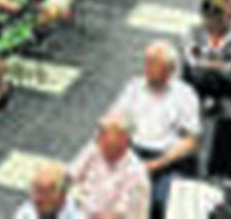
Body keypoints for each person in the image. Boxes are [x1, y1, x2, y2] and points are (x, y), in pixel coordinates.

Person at [108, 41, 201, 218]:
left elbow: (191, 141)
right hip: (133, 153)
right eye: (147, 63)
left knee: (164, 203)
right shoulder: (134, 87)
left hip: (167, 160)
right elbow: (115, 119)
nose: (147, 69)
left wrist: (157, 164)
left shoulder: (185, 95)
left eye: (153, 64)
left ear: (170, 70)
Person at [68, 110, 150, 219]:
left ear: (123, 139)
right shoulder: (94, 150)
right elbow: (68, 177)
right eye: (101, 133)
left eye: (105, 133)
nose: (99, 138)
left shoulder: (136, 173)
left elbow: (118, 215)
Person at [15, 162, 82, 219]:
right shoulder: (25, 213)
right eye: (35, 190)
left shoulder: (74, 215)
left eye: (43, 192)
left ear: (60, 197)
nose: (36, 198)